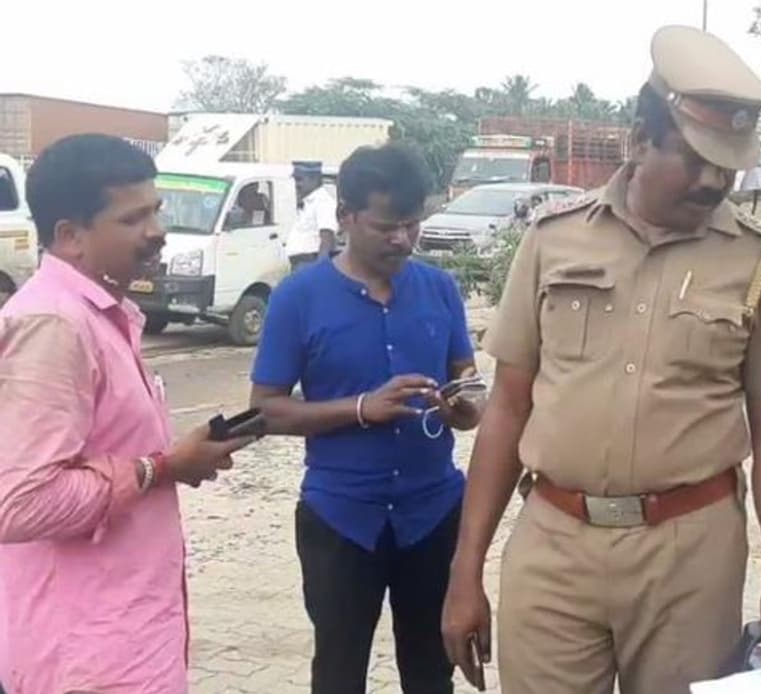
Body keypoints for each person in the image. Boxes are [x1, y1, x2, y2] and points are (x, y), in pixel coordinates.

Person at [441, 24, 761, 694]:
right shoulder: (553, 239)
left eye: (727, 165)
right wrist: (465, 567)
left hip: (690, 556)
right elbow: (508, 406)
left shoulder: (758, 258)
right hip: (554, 546)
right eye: (696, 158)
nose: (713, 180)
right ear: (638, 140)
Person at [0, 134, 256, 693]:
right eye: (133, 218)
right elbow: (20, 503)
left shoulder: (99, 315)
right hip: (87, 659)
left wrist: (173, 460)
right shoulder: (54, 326)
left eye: (156, 210)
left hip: (125, 638)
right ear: (70, 236)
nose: (157, 230)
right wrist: (160, 468)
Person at [251, 143, 482, 694]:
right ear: (345, 216)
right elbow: (264, 410)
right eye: (385, 226)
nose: (401, 239)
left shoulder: (439, 289)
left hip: (433, 514)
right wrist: (361, 408)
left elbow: (471, 392)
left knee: (432, 673)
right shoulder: (297, 298)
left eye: (411, 224)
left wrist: (463, 407)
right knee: (338, 671)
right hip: (341, 517)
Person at [286, 160, 338, 272]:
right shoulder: (308, 202)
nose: (296, 184)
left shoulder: (323, 202)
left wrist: (319, 271)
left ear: (314, 179)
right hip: (301, 262)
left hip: (310, 261)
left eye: (299, 180)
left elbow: (327, 240)